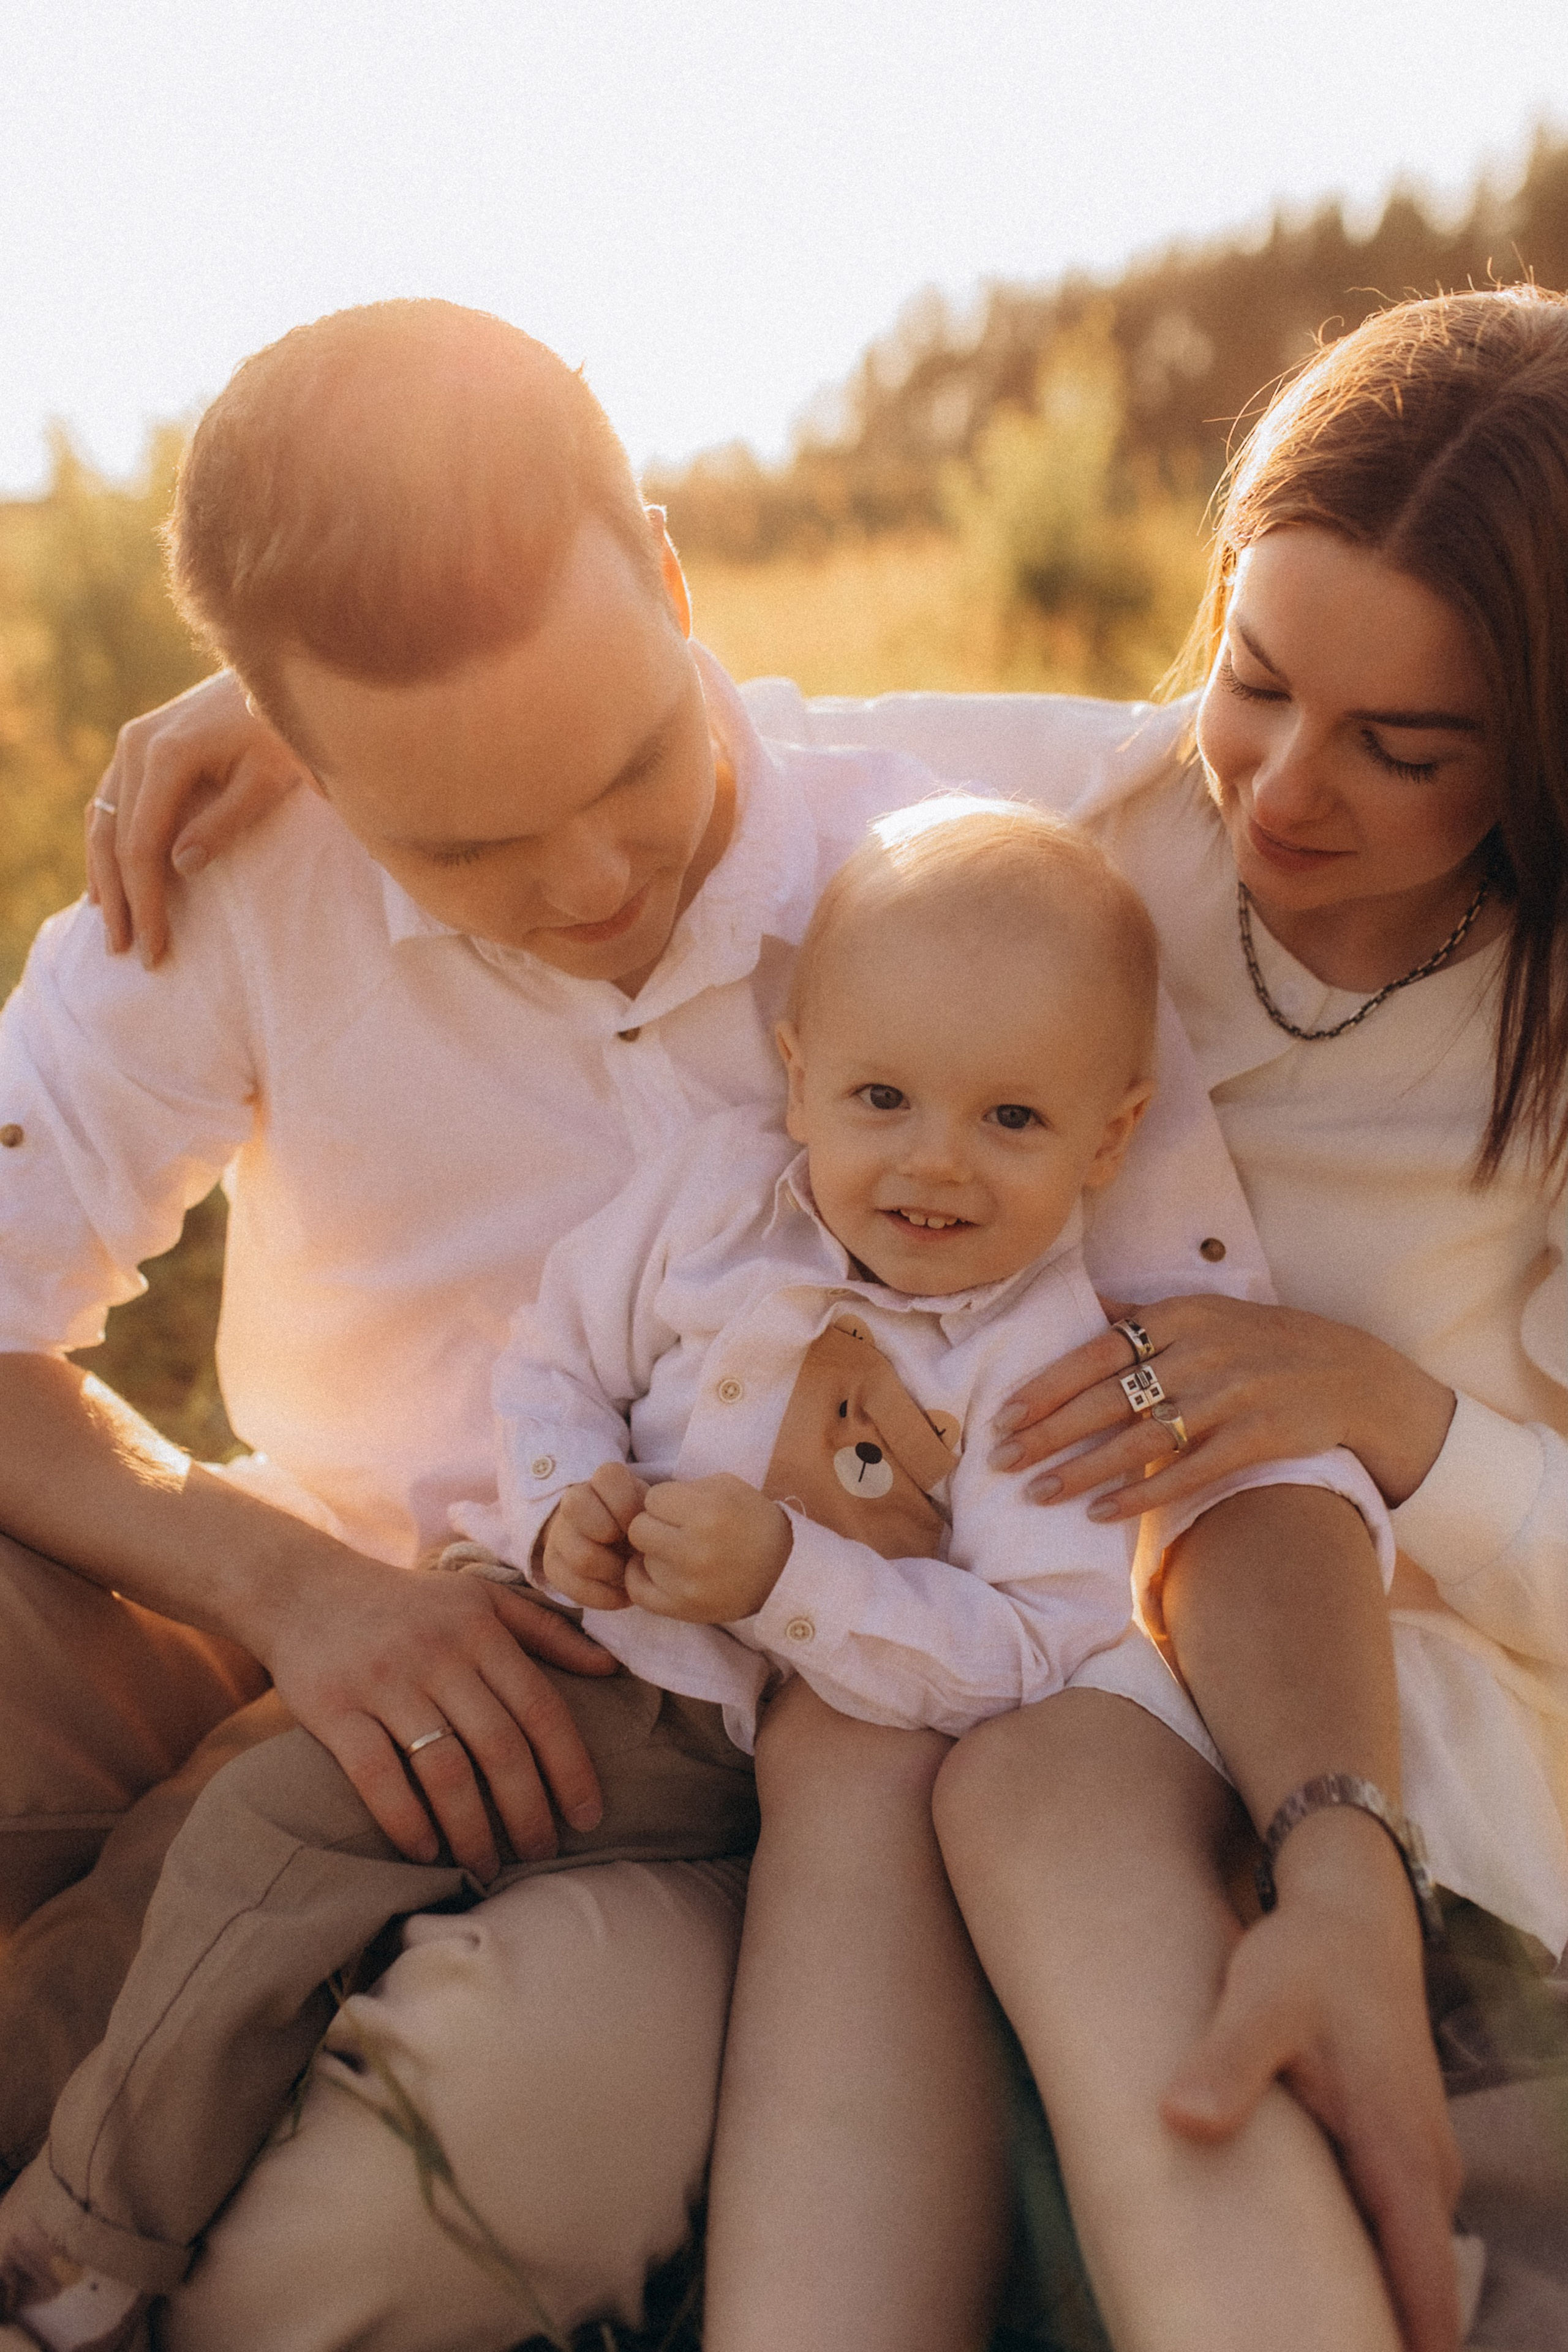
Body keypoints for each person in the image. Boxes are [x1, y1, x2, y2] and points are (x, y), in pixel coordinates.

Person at [0, 300, 1436, 2352]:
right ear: (296, 751)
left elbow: (1382, 756)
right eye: (466, 836)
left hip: (709, 1739)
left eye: (628, 764)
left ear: (675, 581)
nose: (592, 877)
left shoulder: (971, 863)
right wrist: (299, 1595)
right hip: (293, 1594)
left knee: (481, 2147)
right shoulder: (237, 863)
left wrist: (1333, 1848)